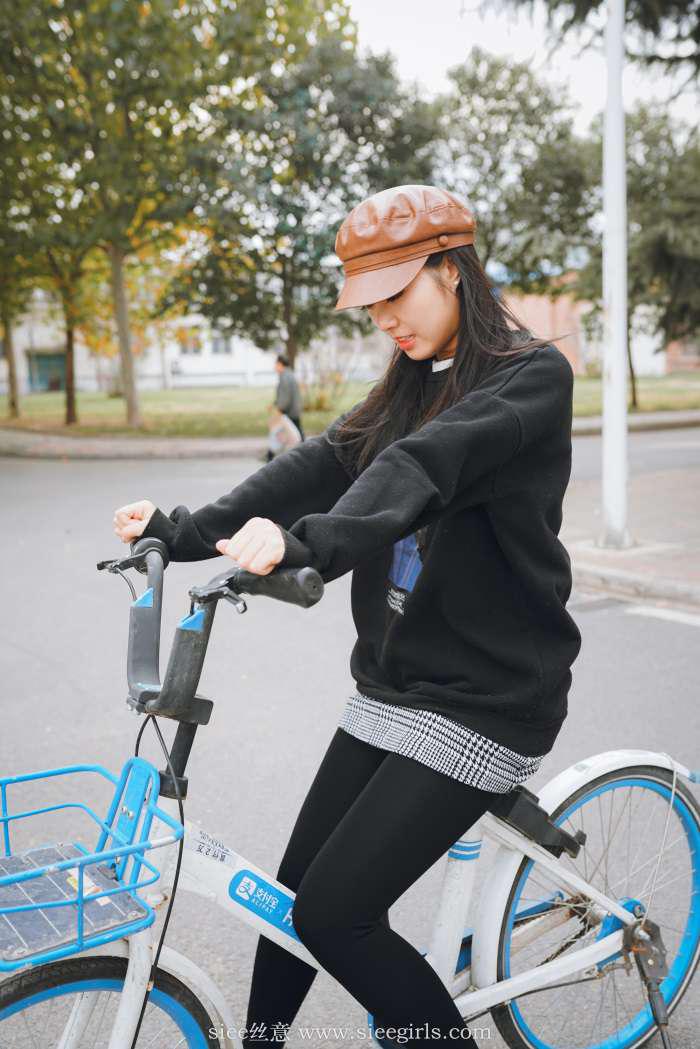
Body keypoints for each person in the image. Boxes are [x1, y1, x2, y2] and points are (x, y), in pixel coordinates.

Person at [113, 185, 582, 1048]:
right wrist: (182, 534)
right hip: (396, 683)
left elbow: (423, 466)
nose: (386, 320)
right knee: (291, 898)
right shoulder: (406, 387)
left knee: (335, 914)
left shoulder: (531, 377)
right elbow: (313, 465)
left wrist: (307, 545)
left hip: (490, 696)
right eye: (372, 306)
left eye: (397, 295)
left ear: (451, 269)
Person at [273, 353, 304, 440]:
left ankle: (306, 445)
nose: (274, 367)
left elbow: (285, 397)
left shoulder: (285, 377)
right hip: (293, 410)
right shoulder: (288, 374)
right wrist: (275, 403)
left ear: (280, 364)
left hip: (290, 412)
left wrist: (280, 409)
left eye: (276, 364)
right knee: (297, 434)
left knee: (296, 435)